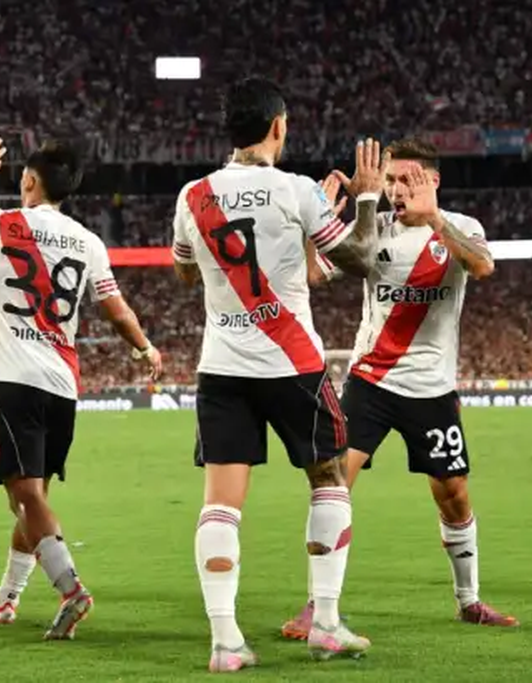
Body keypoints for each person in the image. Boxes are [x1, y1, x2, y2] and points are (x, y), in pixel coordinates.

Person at [0, 138, 163, 640]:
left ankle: (71, 589)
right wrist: (145, 348)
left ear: (29, 180)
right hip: (62, 384)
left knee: (26, 495)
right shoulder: (88, 242)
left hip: (14, 380)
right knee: (33, 497)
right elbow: (116, 311)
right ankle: (7, 599)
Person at [171, 77, 378, 672]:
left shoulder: (193, 196)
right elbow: (361, 259)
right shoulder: (297, 190)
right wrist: (364, 200)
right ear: (278, 126)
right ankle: (327, 624)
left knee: (221, 505)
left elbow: (184, 272)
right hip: (293, 365)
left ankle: (225, 642)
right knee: (329, 479)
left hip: (222, 367)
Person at [281, 138, 516, 639]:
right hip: (370, 382)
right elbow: (312, 274)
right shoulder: (373, 229)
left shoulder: (461, 227)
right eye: (389, 180)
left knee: (453, 495)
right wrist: (313, 226)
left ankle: (469, 600)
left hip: (433, 389)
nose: (395, 190)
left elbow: (482, 265)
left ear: (433, 181)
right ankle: (317, 606)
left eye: (407, 179)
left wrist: (434, 219)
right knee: (333, 484)